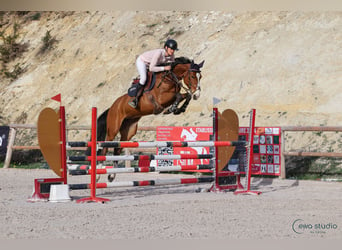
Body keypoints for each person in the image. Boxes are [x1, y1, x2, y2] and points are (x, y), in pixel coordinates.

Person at [128, 39, 178, 108]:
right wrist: (164, 68)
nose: (172, 51)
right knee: (144, 79)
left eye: (174, 49)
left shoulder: (171, 56)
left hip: (153, 64)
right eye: (171, 49)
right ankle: (135, 99)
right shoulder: (159, 53)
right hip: (143, 62)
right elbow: (152, 68)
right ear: (166, 48)